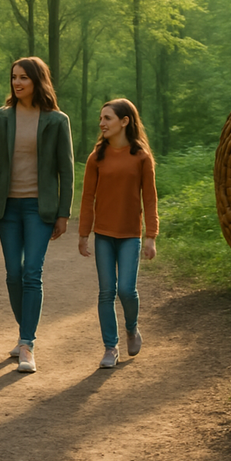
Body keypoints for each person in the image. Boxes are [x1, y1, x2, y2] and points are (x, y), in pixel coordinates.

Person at [0, 57, 74, 373]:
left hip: (40, 208)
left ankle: (26, 344)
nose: (17, 83)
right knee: (12, 273)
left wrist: (63, 213)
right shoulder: (0, 118)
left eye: (23, 78)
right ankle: (25, 333)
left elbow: (67, 171)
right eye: (13, 77)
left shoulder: (57, 121)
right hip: (7, 208)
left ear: (37, 80)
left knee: (32, 271)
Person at [78, 98, 158, 369]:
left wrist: (151, 236)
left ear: (125, 121)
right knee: (106, 292)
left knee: (126, 289)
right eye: (101, 118)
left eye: (108, 118)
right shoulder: (96, 157)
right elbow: (88, 197)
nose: (102, 123)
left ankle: (132, 328)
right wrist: (83, 233)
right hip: (103, 234)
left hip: (130, 235)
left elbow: (150, 198)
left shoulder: (141, 157)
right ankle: (110, 348)